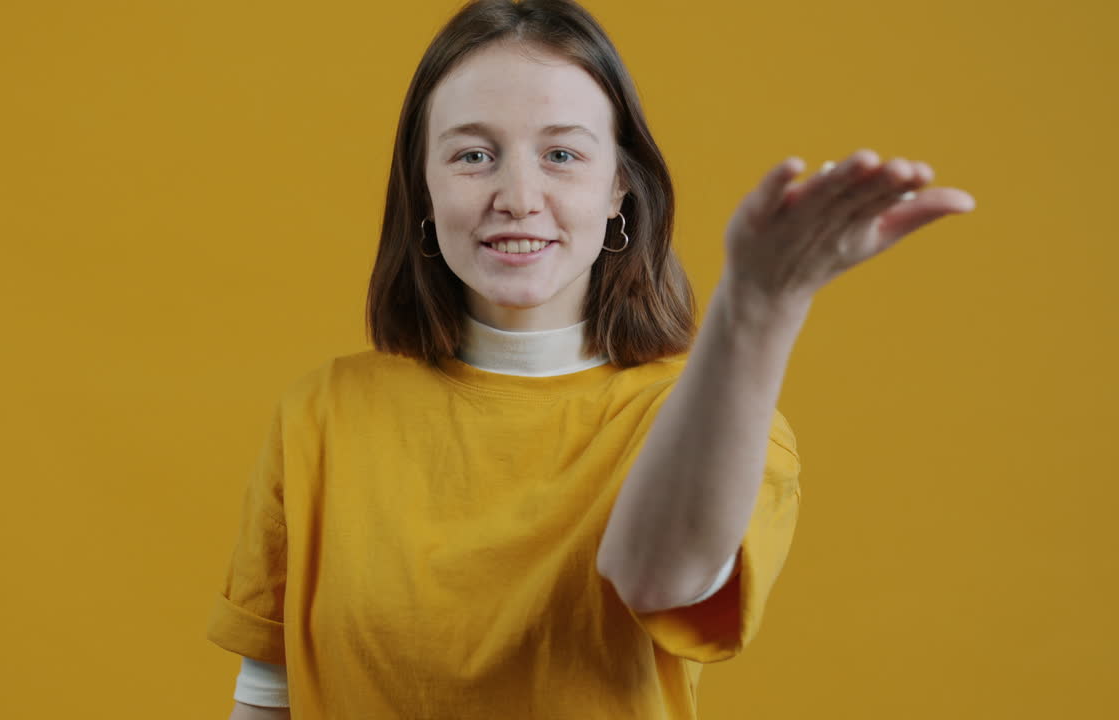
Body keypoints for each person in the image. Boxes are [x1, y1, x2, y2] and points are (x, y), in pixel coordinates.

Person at [207, 1, 975, 718]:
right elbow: (267, 696)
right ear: (424, 190)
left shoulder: (710, 418)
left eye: (562, 154)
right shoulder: (323, 414)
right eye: (473, 155)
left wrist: (760, 303)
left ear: (618, 191)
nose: (518, 194)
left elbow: (658, 579)